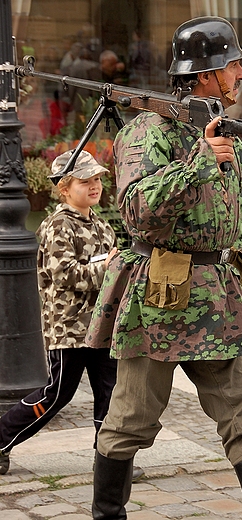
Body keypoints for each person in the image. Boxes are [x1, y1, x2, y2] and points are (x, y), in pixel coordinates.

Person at [86, 17, 242, 520]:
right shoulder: (146, 132)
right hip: (160, 298)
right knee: (130, 419)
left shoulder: (218, 129)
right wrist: (200, 161)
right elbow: (136, 210)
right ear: (205, 74)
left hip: (215, 296)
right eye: (234, 65)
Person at [0, 150, 143, 482]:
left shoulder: (102, 225)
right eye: (85, 181)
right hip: (69, 328)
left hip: (102, 326)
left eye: (97, 180)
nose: (94, 186)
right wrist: (105, 268)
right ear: (64, 187)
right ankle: (2, 438)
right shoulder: (56, 226)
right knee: (56, 394)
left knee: (111, 393)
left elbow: (110, 273)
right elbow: (64, 274)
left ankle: (109, 463)